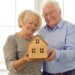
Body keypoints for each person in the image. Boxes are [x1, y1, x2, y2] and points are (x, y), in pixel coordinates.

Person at [38, 0, 75, 75]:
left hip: (67, 72)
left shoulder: (70, 28)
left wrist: (56, 54)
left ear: (60, 11)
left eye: (51, 13)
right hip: (46, 73)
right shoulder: (41, 31)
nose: (48, 17)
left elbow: (73, 53)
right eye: (45, 15)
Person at [3, 10, 43, 75]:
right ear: (22, 22)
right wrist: (24, 60)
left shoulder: (37, 40)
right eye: (30, 23)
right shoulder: (12, 39)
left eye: (36, 25)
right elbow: (9, 66)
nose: (33, 26)